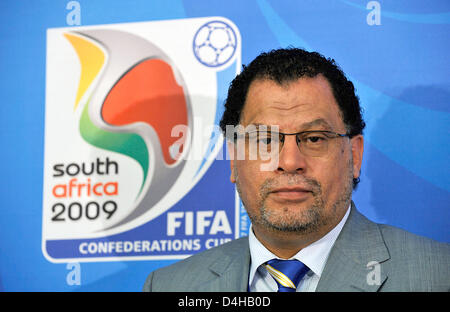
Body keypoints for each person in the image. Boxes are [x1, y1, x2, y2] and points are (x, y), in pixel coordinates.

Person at [143, 48, 449, 292]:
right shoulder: (170, 286)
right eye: (264, 140)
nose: (289, 162)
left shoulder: (436, 275)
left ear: (354, 155)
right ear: (234, 158)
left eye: (314, 138)